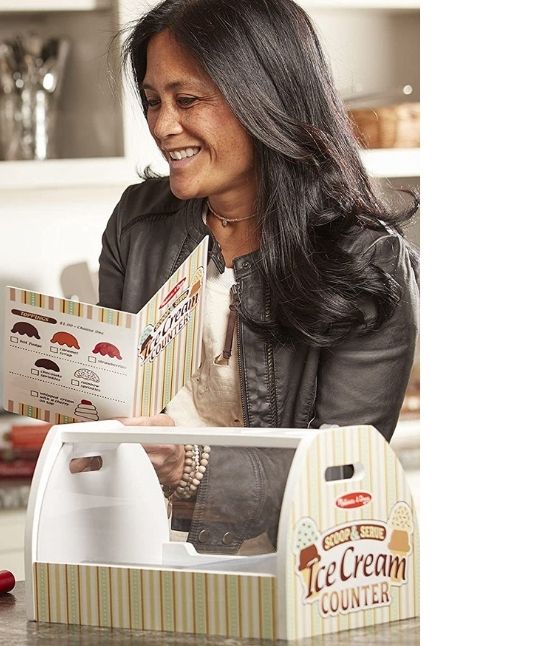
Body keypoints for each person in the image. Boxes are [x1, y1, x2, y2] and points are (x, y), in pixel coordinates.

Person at [99, 0, 419, 555]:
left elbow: (340, 474)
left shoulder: (367, 261)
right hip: (143, 552)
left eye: (187, 100)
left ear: (265, 98)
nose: (162, 126)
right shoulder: (136, 223)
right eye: (152, 101)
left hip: (295, 567)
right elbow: (109, 397)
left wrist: (188, 465)